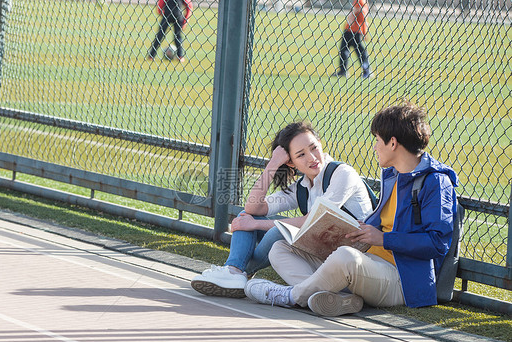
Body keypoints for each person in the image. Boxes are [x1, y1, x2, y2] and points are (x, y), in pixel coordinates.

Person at [245, 101, 458, 317]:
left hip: (402, 279)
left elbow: (437, 243)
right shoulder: (393, 175)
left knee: (345, 256)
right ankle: (335, 298)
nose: (375, 147)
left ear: (392, 143)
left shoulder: (436, 183)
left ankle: (290, 297)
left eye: (377, 140)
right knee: (280, 249)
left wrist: (383, 239)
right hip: (366, 261)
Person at [191, 120, 374, 298]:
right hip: (325, 249)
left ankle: (236, 272)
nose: (311, 157)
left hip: (356, 255)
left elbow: (313, 220)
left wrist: (254, 224)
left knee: (276, 231)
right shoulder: (301, 187)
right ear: (291, 163)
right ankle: (233, 270)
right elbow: (253, 206)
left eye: (313, 148)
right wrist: (273, 164)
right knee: (246, 215)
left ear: (320, 144)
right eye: (300, 155)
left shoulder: (342, 173)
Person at [333, 0, 371, 78]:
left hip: (356, 31)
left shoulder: (361, 1)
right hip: (349, 30)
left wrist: (364, 31)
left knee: (360, 51)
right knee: (344, 50)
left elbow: (363, 17)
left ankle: (367, 71)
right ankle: (343, 70)